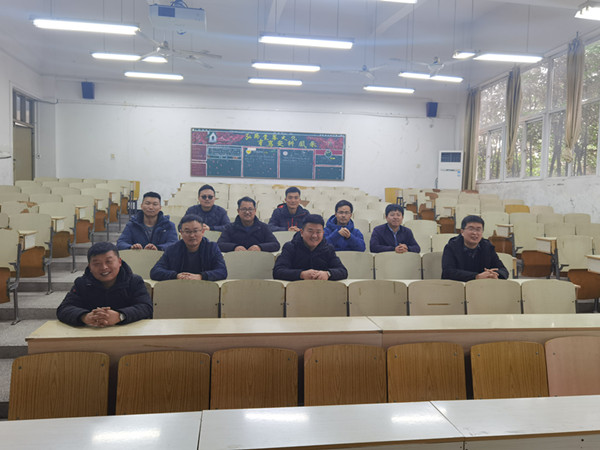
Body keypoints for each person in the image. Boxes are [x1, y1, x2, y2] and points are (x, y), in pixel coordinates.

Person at [56, 242, 153, 327]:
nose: (104, 267)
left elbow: (146, 307)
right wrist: (85, 316)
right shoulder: (82, 283)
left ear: (119, 262)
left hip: (127, 334)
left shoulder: (134, 281)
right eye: (97, 263)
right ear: (90, 267)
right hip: (92, 333)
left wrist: (120, 316)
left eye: (109, 261)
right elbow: (64, 309)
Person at [150, 214, 227, 281]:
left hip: (204, 288)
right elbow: (155, 271)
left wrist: (201, 276)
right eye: (187, 232)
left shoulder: (212, 248)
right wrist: (176, 276)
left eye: (195, 231)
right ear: (181, 233)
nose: (192, 235)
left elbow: (222, 271)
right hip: (178, 288)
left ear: (202, 232)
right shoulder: (172, 249)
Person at [273, 214, 348, 281]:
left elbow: (343, 271)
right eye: (310, 231)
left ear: (323, 233)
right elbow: (278, 271)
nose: (314, 236)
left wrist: (328, 274)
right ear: (302, 232)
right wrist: (301, 274)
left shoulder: (328, 249)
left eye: (318, 232)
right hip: (295, 289)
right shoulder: (290, 247)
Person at [442, 215, 508, 281]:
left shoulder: (487, 247)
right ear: (462, 232)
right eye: (471, 229)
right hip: (459, 285)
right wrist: (476, 276)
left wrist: (494, 274)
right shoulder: (451, 247)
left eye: (478, 230)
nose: (475, 233)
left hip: (482, 285)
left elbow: (503, 270)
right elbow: (448, 272)